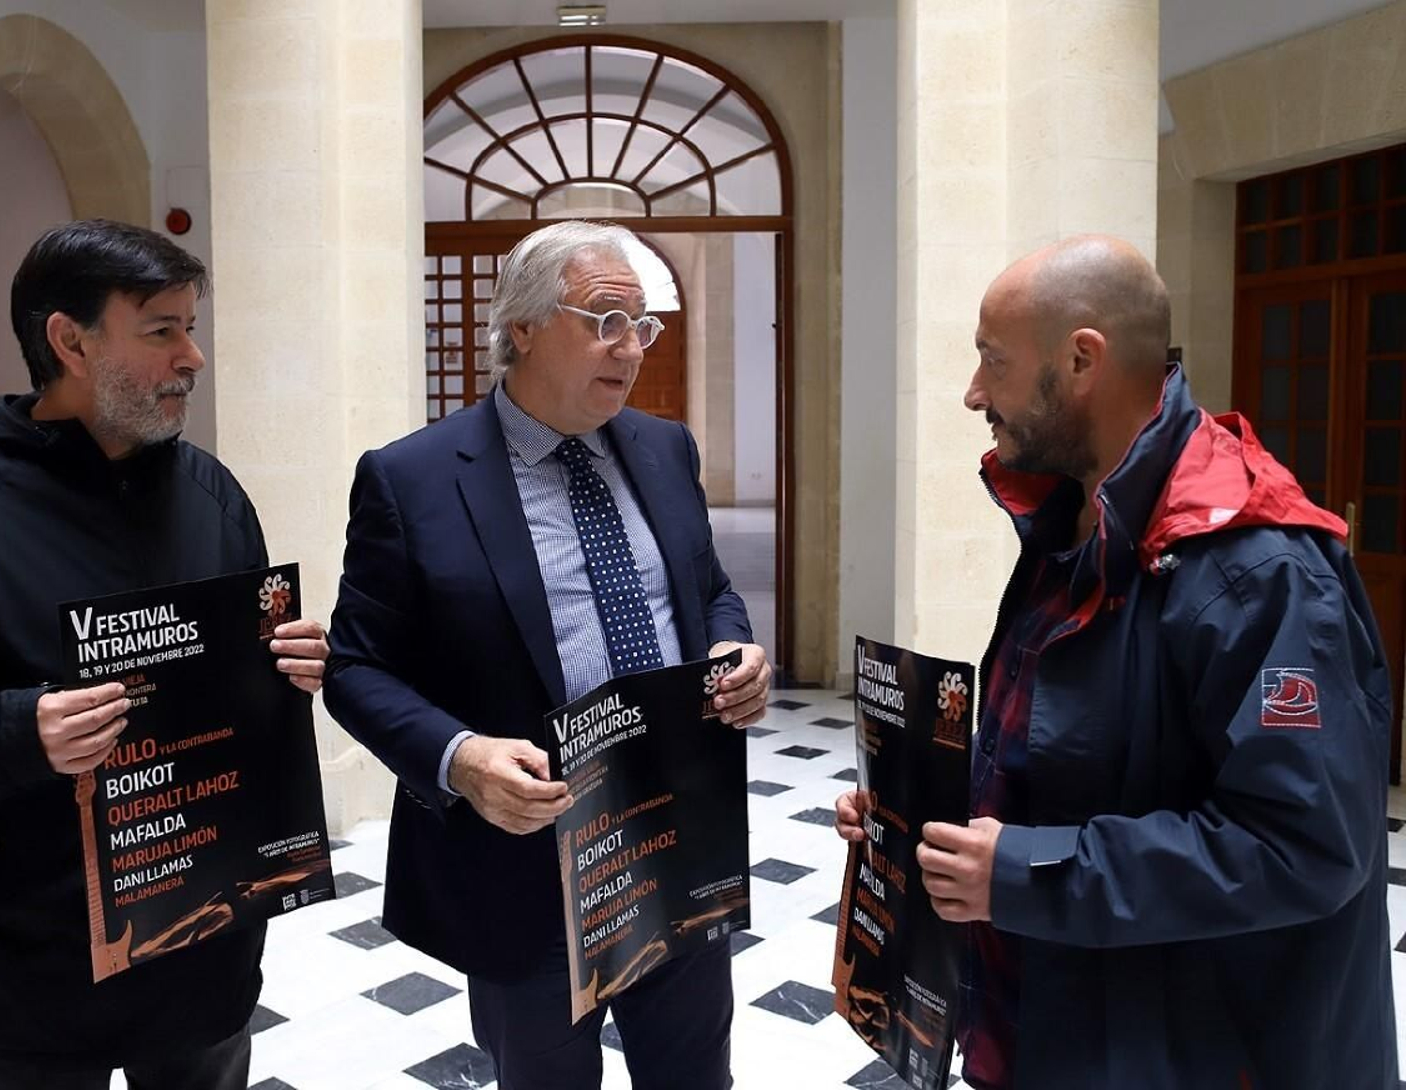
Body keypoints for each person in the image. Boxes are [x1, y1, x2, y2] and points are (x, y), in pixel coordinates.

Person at [835, 235, 1397, 1089]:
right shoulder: (1075, 520)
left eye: (993, 361)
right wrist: (919, 824)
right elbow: (1066, 767)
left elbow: (1305, 846)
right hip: (1049, 1018)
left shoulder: (1258, 569)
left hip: (1177, 1051)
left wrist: (1021, 874)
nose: (973, 393)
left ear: (1082, 359)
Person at [0, 220, 328, 1090]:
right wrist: (21, 728)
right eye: (162, 330)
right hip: (37, 962)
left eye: (190, 328)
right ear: (69, 340)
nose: (192, 357)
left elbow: (243, 685)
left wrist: (291, 664)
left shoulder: (211, 491)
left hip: (205, 945)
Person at [324, 220, 771, 1089]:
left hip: (679, 830)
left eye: (643, 324)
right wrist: (461, 758)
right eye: (603, 318)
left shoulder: (665, 447)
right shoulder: (412, 479)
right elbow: (354, 666)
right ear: (520, 327)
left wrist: (733, 643)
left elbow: (708, 585)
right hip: (526, 857)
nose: (630, 347)